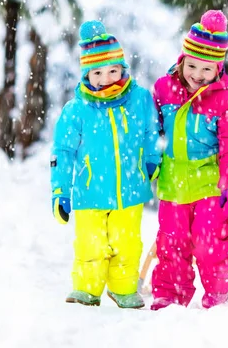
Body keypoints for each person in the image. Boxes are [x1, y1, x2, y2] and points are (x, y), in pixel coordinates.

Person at [50, 20, 161, 309]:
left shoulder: (139, 100)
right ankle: (87, 289)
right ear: (87, 73)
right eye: (97, 72)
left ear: (123, 68)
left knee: (127, 243)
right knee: (91, 243)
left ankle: (124, 288)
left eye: (113, 70)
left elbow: (150, 133)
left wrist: (151, 160)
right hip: (90, 192)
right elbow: (62, 152)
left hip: (130, 189)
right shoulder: (77, 110)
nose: (107, 78)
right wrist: (60, 191)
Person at [150, 10, 228, 310]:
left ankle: (218, 293)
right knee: (171, 243)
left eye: (206, 69)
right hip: (173, 183)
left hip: (208, 184)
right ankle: (170, 294)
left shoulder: (225, 102)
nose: (197, 74)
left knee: (209, 242)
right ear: (182, 60)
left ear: (218, 69)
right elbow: (151, 130)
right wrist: (150, 160)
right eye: (192, 65)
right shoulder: (165, 90)